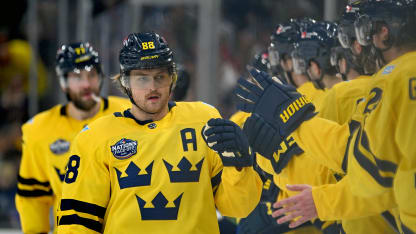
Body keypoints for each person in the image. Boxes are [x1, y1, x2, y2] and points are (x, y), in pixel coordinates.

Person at [235, 0, 416, 231]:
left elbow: (366, 169)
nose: (358, 48)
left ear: (384, 33)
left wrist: (292, 123)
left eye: (360, 36)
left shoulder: (391, 80)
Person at [56, 32, 261, 234]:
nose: (152, 87)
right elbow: (76, 224)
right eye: (142, 79)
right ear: (125, 82)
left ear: (172, 78)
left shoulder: (203, 119)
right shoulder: (95, 137)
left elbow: (238, 208)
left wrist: (239, 165)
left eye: (160, 77)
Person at [15, 42, 131, 233]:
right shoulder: (40, 129)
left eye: (92, 75)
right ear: (63, 82)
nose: (86, 84)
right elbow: (33, 195)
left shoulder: (127, 113)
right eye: (77, 77)